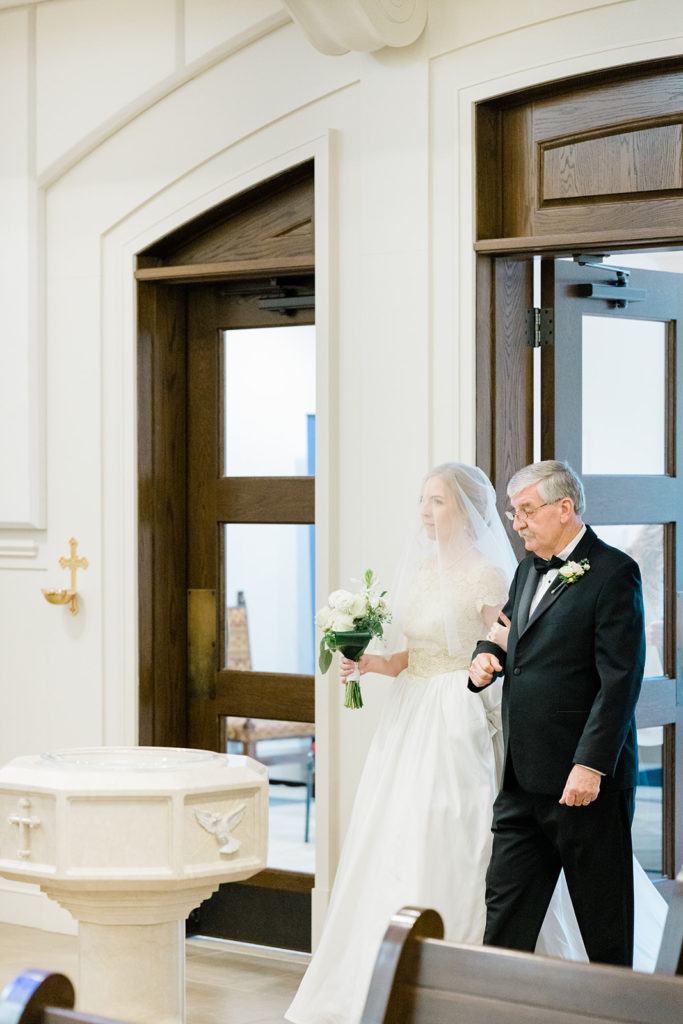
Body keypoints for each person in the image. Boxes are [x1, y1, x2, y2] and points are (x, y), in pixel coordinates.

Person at [285, 462, 518, 1024]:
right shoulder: (419, 571)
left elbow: (507, 641)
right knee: (392, 827)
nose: (424, 512)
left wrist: (481, 674)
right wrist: (370, 662)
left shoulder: (488, 574)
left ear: (464, 510)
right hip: (410, 710)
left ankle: (460, 973)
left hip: (455, 710)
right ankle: (381, 969)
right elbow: (416, 648)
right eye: (422, 500)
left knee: (450, 826)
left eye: (436, 501)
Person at [469, 459, 646, 967]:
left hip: (582, 783)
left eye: (526, 510)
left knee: (604, 924)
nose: (516, 522)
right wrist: (488, 653)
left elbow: (620, 681)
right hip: (522, 778)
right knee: (504, 917)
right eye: (513, 511)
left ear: (564, 508)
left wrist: (589, 766)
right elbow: (507, 625)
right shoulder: (528, 567)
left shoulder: (614, 573)